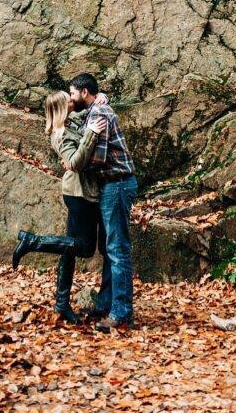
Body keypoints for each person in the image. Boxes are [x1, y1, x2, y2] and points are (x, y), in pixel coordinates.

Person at [11, 90, 105, 324]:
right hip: (79, 194)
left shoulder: (70, 122)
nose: (74, 100)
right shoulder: (60, 134)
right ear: (63, 107)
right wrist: (92, 135)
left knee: (69, 250)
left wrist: (101, 97)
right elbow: (77, 162)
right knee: (84, 248)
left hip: (79, 192)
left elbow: (89, 112)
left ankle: (61, 304)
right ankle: (33, 242)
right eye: (69, 99)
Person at [68, 72, 137, 333]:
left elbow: (96, 159)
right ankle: (109, 302)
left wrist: (75, 163)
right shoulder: (95, 111)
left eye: (73, 94)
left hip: (117, 184)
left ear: (85, 93)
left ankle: (122, 313)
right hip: (113, 185)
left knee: (118, 250)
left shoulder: (99, 114)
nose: (72, 99)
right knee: (111, 250)